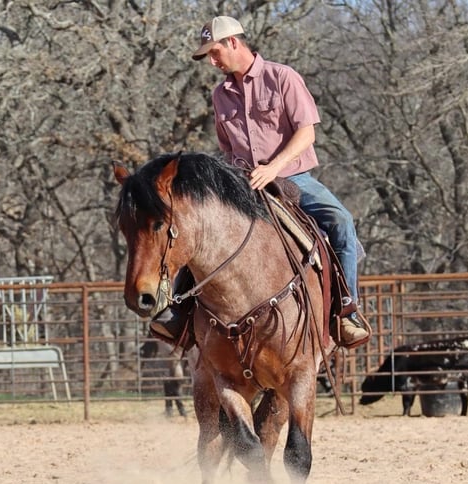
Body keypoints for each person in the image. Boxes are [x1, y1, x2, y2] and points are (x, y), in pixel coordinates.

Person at [151, 16, 369, 347]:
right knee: (196, 226)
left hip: (291, 177)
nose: (212, 62)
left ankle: (345, 312)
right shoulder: (219, 95)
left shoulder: (282, 77)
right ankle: (179, 314)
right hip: (241, 183)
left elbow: (306, 132)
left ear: (233, 43)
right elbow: (226, 149)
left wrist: (274, 167)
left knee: (341, 221)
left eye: (214, 53)